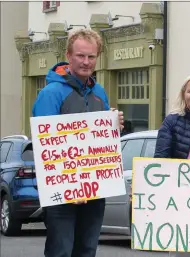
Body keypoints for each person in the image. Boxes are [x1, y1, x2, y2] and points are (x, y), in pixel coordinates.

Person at [32, 28, 124, 257]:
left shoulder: (99, 92)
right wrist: (68, 187)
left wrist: (114, 125)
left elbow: (100, 143)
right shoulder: (51, 93)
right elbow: (46, 146)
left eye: (91, 57)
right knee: (60, 252)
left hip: (93, 191)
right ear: (68, 55)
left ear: (98, 57)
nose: (86, 62)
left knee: (87, 251)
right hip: (61, 193)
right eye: (80, 56)